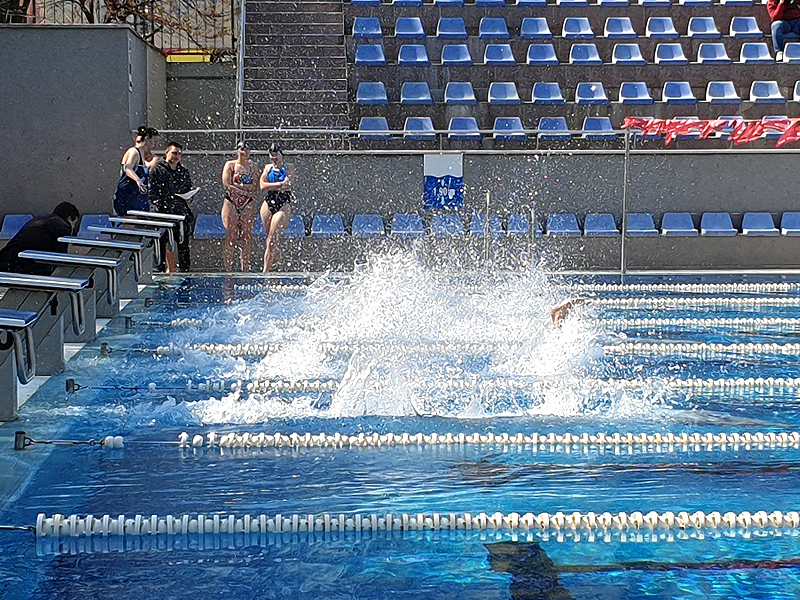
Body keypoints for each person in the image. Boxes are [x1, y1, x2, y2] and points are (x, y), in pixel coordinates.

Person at [149, 141, 196, 272]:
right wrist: (158, 203)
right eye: (174, 153)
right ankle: (159, 269)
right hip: (163, 212)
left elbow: (188, 188)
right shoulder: (158, 169)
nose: (176, 156)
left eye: (179, 154)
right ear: (166, 153)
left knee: (183, 242)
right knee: (161, 241)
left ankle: (185, 271)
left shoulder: (183, 171)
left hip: (180, 211)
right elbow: (152, 191)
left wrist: (190, 197)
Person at [0, 202, 80, 276]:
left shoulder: (39, 219)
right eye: (74, 223)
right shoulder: (63, 226)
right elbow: (59, 257)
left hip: (6, 257)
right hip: (18, 263)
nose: (73, 228)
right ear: (69, 218)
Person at [221, 140, 259, 271]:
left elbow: (255, 186)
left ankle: (245, 269)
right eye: (242, 149)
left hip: (247, 202)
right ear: (238, 150)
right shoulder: (230, 165)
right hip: (231, 201)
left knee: (246, 236)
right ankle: (228, 269)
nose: (244, 152)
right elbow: (227, 184)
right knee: (230, 235)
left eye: (247, 149)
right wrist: (242, 190)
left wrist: (240, 188)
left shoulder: (253, 167)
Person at [259, 143, 296, 272]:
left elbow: (288, 185)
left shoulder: (289, 167)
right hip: (268, 202)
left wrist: (273, 185)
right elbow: (262, 186)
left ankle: (265, 273)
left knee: (271, 240)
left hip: (283, 204)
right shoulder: (267, 168)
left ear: (282, 155)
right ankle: (276, 254)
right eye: (272, 156)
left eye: (276, 155)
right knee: (271, 239)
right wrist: (280, 184)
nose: (274, 158)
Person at [113, 126, 160, 216]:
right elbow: (128, 168)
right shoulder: (134, 152)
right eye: (154, 141)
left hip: (136, 197)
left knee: (135, 224)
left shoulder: (142, 154)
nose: (155, 145)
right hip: (127, 196)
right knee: (129, 224)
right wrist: (138, 181)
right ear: (147, 139)